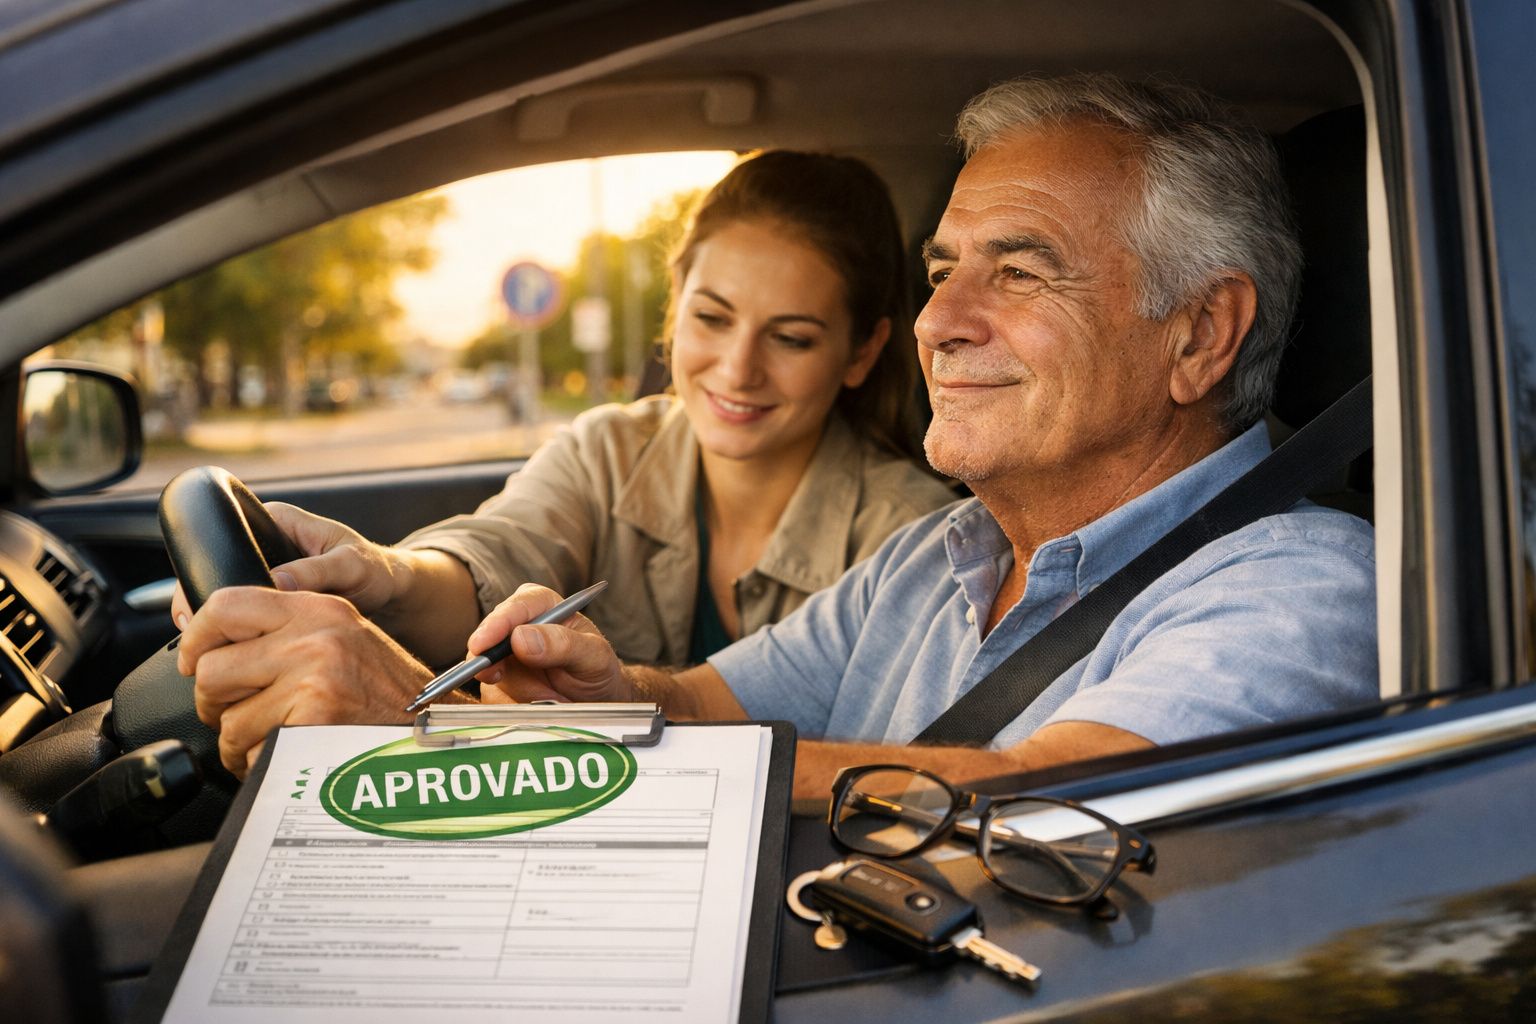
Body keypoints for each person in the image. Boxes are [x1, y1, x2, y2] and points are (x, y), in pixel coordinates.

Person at [182, 74, 1377, 798]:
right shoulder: (944, 556)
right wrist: (584, 700)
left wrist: (440, 748)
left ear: (1202, 335)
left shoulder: (1303, 584)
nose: (942, 322)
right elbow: (700, 709)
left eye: (1021, 272)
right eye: (943, 269)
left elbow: (1040, 801)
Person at [180, 150, 954, 674]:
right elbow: (499, 550)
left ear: (860, 352)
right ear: (674, 302)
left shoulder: (917, 539)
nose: (737, 368)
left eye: (790, 338)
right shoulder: (607, 449)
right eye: (711, 319)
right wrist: (383, 576)